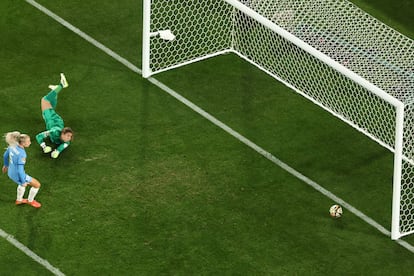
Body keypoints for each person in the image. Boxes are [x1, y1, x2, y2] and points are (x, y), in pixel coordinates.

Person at [36, 73, 73, 158]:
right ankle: (61, 85)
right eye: (68, 136)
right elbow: (39, 136)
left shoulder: (66, 141)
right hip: (52, 118)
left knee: (50, 104)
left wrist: (57, 151)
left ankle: (54, 91)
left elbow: (62, 147)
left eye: (70, 137)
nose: (69, 138)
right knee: (45, 100)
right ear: (62, 134)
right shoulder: (54, 131)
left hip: (57, 121)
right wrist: (44, 147)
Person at [2, 131, 42, 208]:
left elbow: (5, 155)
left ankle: (19, 200)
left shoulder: (12, 146)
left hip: (10, 172)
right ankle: (31, 201)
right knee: (37, 185)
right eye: (28, 141)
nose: (30, 143)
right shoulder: (22, 154)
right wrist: (23, 181)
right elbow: (20, 170)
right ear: (23, 143)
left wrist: (6, 165)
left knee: (21, 184)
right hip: (18, 174)